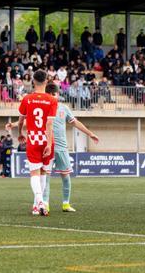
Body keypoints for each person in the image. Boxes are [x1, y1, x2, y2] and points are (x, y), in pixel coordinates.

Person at [6, 69, 56, 216]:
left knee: (34, 172)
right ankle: (37, 205)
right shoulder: (52, 100)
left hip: (33, 138)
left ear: (33, 81)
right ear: (46, 81)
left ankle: (38, 202)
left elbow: (22, 120)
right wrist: (47, 143)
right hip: (47, 140)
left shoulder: (27, 99)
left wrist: (20, 132)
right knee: (44, 173)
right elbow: (49, 124)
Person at [43, 83, 100, 212]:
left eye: (54, 94)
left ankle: (66, 204)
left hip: (62, 147)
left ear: (58, 95)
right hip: (47, 146)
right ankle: (45, 204)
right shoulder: (43, 108)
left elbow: (75, 122)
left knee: (66, 176)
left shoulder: (64, 108)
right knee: (45, 177)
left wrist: (90, 134)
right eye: (49, 95)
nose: (52, 97)